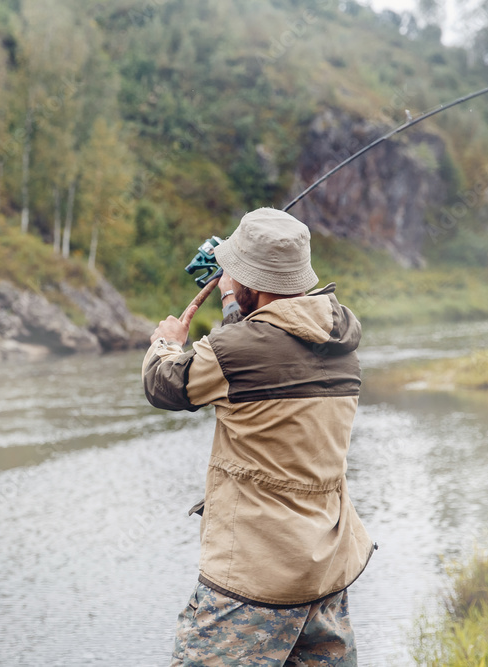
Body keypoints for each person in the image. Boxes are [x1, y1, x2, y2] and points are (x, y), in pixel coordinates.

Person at [142, 208, 374, 666]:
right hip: (324, 576)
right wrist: (236, 297)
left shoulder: (234, 351)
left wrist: (167, 342)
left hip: (253, 578)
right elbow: (259, 342)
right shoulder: (339, 338)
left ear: (253, 281)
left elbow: (163, 386)